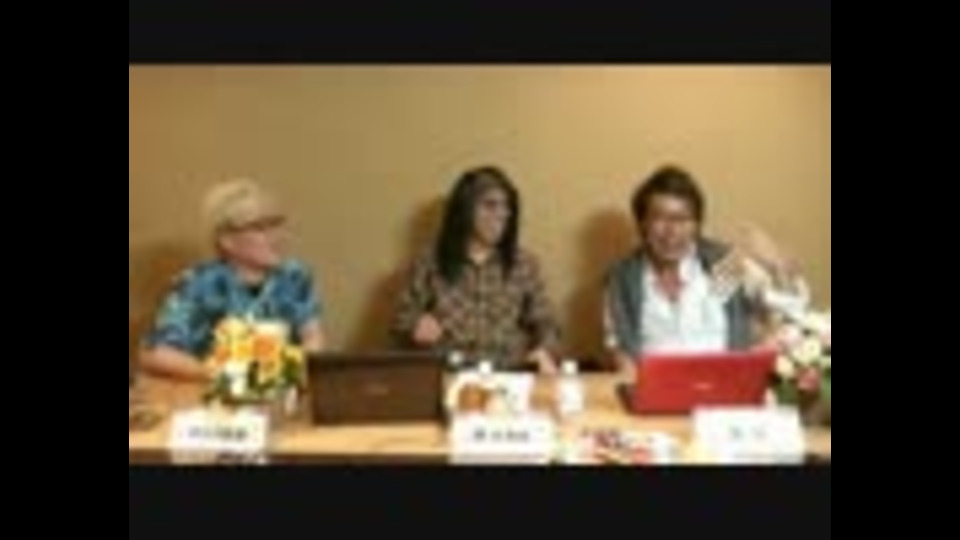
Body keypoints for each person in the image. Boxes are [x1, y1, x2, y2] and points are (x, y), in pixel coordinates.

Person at [604, 165, 810, 374]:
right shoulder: (623, 278)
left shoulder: (720, 265)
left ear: (697, 225)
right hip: (657, 388)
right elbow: (620, 349)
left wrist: (776, 263)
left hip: (727, 385)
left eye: (683, 219)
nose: (672, 231)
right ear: (642, 224)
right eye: (660, 219)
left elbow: (792, 311)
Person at [139, 179, 326, 382]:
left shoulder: (294, 276)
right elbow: (156, 354)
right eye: (260, 228)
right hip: (212, 390)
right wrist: (226, 377)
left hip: (279, 389)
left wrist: (293, 372)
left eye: (276, 224)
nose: (276, 236)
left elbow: (313, 339)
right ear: (226, 240)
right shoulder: (198, 283)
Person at [392, 166, 561, 374]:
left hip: (508, 375)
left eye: (506, 207)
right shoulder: (429, 262)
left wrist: (544, 350)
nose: (502, 215)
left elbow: (547, 323)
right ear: (464, 210)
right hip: (449, 375)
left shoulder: (523, 264)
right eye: (490, 206)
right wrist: (415, 327)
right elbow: (400, 324)